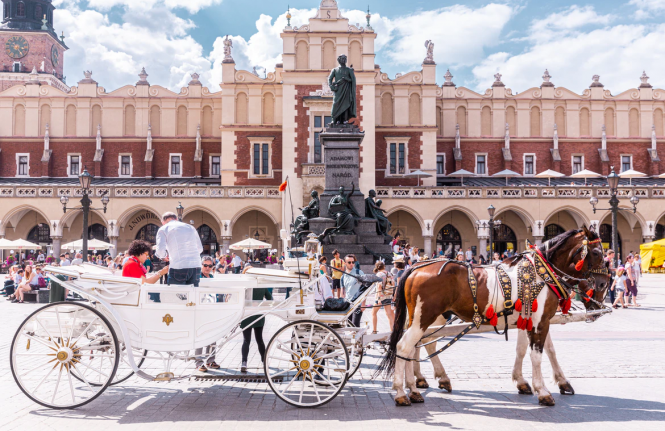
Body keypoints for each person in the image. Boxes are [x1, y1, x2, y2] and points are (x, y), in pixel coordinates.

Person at [155, 212, 203, 286]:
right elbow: (199, 248)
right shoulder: (190, 227)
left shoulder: (163, 229)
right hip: (196, 265)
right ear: (176, 219)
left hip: (178, 266)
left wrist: (164, 257)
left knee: (176, 295)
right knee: (193, 294)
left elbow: (160, 250)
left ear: (163, 222)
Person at [194, 256, 221, 372]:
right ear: (201, 265)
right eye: (205, 265)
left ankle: (210, 360)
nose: (207, 268)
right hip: (200, 310)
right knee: (200, 337)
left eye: (210, 266)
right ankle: (199, 362)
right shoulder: (197, 277)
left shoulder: (211, 277)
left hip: (211, 309)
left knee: (212, 336)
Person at [239, 286, 272, 373]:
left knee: (246, 340)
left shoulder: (245, 287)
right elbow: (270, 299)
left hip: (246, 314)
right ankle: (264, 361)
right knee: (259, 340)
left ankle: (244, 362)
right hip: (258, 314)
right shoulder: (262, 287)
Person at [371, 261, 395, 334]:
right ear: (384, 266)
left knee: (373, 313)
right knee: (389, 314)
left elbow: (379, 287)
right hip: (388, 295)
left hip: (381, 296)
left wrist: (378, 299)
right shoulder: (390, 273)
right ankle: (392, 331)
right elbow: (393, 284)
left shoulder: (379, 274)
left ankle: (374, 331)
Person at [342, 254, 365, 327]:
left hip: (357, 304)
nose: (351, 264)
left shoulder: (359, 273)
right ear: (345, 263)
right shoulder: (343, 276)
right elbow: (343, 292)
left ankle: (357, 338)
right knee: (348, 326)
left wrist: (363, 304)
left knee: (355, 326)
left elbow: (365, 288)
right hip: (348, 305)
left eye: (353, 262)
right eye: (349, 262)